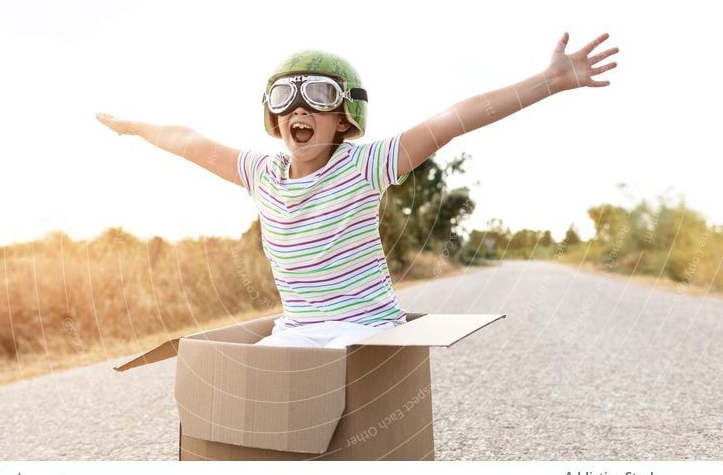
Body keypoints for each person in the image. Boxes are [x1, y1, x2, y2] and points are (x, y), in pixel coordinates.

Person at [96, 32, 618, 348]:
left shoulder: (365, 164)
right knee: (261, 390)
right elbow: (190, 141)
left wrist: (548, 81)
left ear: (344, 119)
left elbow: (453, 119)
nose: (298, 109)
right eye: (285, 97)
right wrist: (134, 128)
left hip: (367, 328)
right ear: (272, 115)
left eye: (318, 96)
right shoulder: (262, 174)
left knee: (330, 381)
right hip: (300, 329)